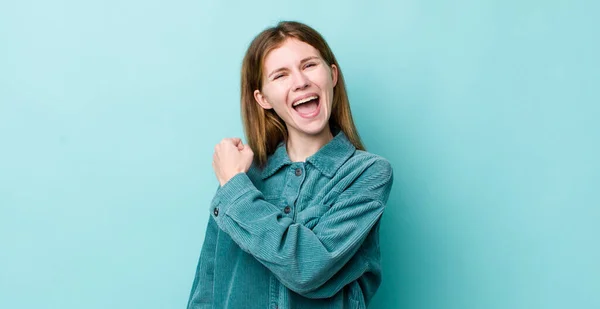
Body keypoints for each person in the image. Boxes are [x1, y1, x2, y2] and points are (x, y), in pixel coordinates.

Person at [186, 21, 394, 309]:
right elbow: (207, 291)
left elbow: (309, 268)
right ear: (263, 98)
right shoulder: (241, 176)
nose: (300, 82)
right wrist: (235, 184)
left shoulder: (366, 174)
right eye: (280, 75)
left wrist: (235, 189)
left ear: (332, 75)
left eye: (309, 65)